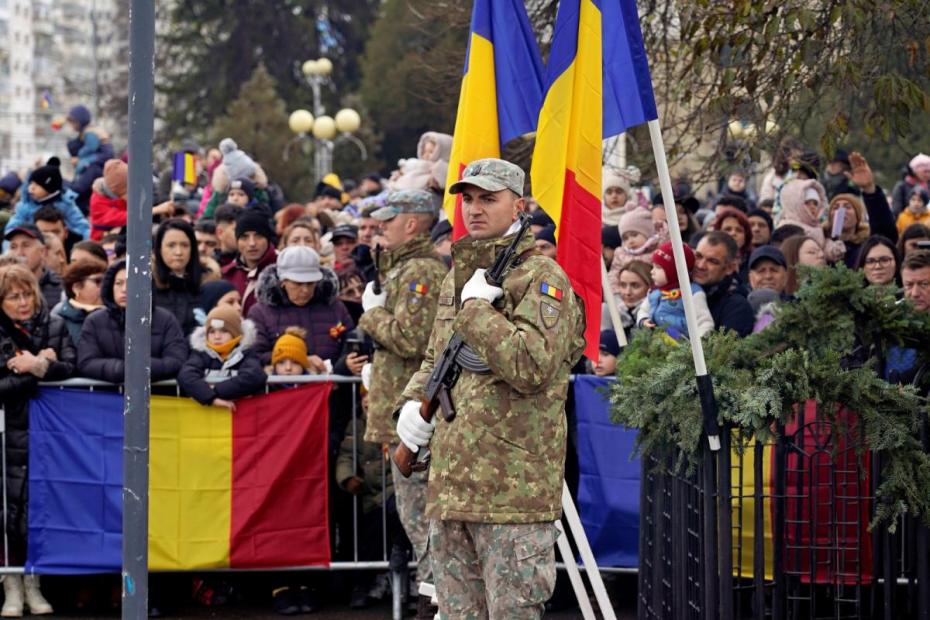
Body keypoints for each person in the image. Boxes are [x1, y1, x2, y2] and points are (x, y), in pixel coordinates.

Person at [397, 159, 586, 619]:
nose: (474, 209)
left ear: (519, 206)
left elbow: (532, 365)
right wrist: (410, 404)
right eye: (468, 199)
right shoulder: (457, 275)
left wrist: (479, 311)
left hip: (512, 492)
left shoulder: (542, 278)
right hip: (453, 484)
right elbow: (436, 356)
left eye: (488, 198)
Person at [356, 189, 447, 618]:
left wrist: (372, 314)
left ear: (412, 222)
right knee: (416, 520)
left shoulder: (419, 273)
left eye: (389, 219)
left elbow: (413, 340)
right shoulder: (403, 268)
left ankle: (436, 601)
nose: (380, 226)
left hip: (411, 416)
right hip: (400, 411)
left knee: (423, 520)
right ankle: (434, 596)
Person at [0, 264, 75, 617]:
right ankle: (11, 586)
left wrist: (39, 366)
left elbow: (72, 368)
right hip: (7, 433)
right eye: (13, 296)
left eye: (27, 293)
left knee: (40, 507)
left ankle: (34, 583)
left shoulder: (55, 326)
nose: (23, 302)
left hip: (49, 435)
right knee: (7, 510)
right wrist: (33, 373)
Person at [248, 245, 358, 374]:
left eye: (311, 283)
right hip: (282, 390)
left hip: (332, 389)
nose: (305, 290)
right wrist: (298, 359)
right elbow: (254, 354)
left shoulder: (335, 307)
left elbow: (350, 344)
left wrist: (342, 366)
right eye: (298, 283)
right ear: (282, 282)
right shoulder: (260, 312)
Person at [78, 259, 189, 383]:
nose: (125, 289)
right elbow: (86, 363)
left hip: (156, 398)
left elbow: (177, 360)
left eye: (132, 282)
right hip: (109, 398)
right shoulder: (94, 321)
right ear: (110, 286)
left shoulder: (165, 319)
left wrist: (140, 368)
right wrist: (120, 369)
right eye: (118, 283)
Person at [177, 305, 266, 409]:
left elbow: (254, 376)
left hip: (241, 417)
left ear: (236, 333)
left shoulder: (247, 354)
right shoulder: (200, 353)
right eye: (212, 332)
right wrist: (211, 398)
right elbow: (186, 375)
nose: (217, 337)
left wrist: (215, 391)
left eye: (224, 331)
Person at [637, 241, 714, 339]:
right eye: (653, 266)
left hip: (682, 345)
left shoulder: (692, 293)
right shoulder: (654, 291)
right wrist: (643, 320)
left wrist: (698, 345)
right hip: (656, 341)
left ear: (674, 271)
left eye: (658, 267)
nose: (652, 271)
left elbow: (704, 322)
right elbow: (643, 310)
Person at [6, 157, 89, 239]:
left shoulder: (66, 205)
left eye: (37, 185)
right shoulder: (26, 205)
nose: (31, 188)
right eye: (31, 183)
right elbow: (12, 228)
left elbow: (82, 226)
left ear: (50, 189)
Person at [692, 232, 755, 336]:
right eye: (698, 256)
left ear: (730, 268)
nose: (701, 265)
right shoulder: (679, 290)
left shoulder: (737, 308)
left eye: (712, 261)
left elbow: (724, 351)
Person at [153, 218, 206, 336]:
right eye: (171, 245)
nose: (178, 252)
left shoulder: (208, 283)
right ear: (159, 249)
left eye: (185, 245)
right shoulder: (147, 286)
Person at [776, 178, 846, 263]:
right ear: (795, 204)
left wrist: (832, 250)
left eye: (815, 203)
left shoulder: (817, 226)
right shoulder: (787, 226)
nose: (812, 207)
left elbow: (822, 246)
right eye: (807, 202)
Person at [222, 210, 277, 316]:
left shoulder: (281, 270)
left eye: (258, 236)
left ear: (268, 239)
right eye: (244, 237)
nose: (252, 243)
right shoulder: (227, 275)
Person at [5, 224, 62, 309]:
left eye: (26, 245)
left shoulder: (60, 287)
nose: (19, 253)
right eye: (13, 247)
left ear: (42, 252)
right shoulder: (3, 287)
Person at [54, 259, 108, 344]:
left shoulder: (115, 316)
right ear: (77, 287)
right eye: (98, 281)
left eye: (106, 281)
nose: (104, 286)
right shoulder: (58, 320)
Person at [608, 206, 660, 291]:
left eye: (634, 235)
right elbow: (614, 274)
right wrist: (616, 292)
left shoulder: (657, 250)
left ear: (648, 233)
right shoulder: (621, 254)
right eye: (626, 238)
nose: (630, 241)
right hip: (626, 294)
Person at [823, 192, 871, 267]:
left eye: (847, 207)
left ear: (857, 217)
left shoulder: (867, 245)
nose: (841, 211)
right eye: (835, 207)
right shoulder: (821, 243)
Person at [710, 206, 753, 282]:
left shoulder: (753, 262)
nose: (733, 233)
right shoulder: (708, 259)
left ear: (746, 236)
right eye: (728, 229)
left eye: (739, 230)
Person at [89, 159, 128, 241]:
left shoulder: (116, 194)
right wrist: (149, 212)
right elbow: (115, 218)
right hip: (101, 243)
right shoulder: (97, 201)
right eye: (125, 194)